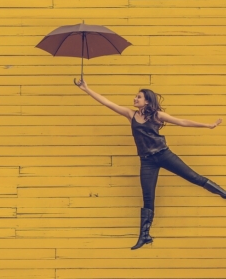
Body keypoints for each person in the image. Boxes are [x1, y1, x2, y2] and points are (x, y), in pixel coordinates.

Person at [74, 78, 223, 250]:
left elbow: (181, 121)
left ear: (147, 101)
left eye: (138, 97)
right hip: (147, 161)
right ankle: (144, 235)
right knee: (148, 197)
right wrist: (86, 89)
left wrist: (208, 125)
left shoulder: (157, 115)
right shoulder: (131, 115)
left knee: (193, 177)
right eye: (135, 97)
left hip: (164, 155)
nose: (135, 99)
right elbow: (107, 103)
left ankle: (223, 193)